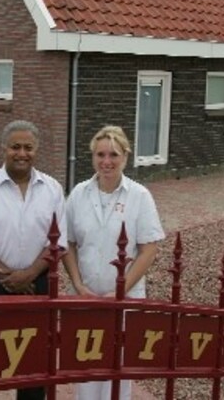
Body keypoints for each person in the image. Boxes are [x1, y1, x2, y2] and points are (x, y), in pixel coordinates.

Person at [0, 119, 67, 400]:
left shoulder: (52, 189)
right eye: (15, 147)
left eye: (28, 148)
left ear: (37, 149)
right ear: (4, 148)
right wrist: (6, 274)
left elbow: (58, 242)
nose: (22, 153)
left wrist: (30, 274)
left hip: (37, 286)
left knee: (33, 368)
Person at [62, 125, 166, 400]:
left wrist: (122, 289)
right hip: (86, 296)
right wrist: (77, 284)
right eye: (100, 155)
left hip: (124, 298)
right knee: (86, 365)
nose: (106, 161)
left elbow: (148, 249)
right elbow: (67, 242)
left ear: (125, 157)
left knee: (118, 369)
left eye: (113, 155)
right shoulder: (79, 193)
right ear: (92, 157)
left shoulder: (139, 196)